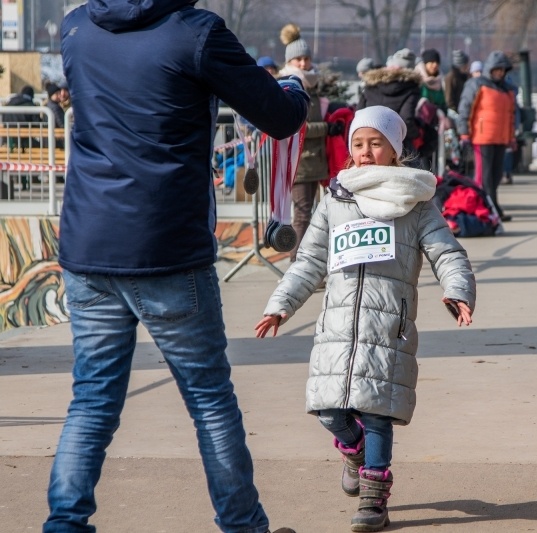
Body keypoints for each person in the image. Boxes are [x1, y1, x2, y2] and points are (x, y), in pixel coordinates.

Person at [45, 1, 308, 532]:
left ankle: (65, 525)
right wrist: (296, 85)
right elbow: (279, 119)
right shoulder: (195, 32)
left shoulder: (76, 27)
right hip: (166, 245)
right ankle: (243, 525)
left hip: (88, 242)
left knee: (92, 401)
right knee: (210, 399)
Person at [255, 105, 476, 532]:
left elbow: (447, 252)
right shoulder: (335, 198)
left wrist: (457, 291)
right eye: (358, 143)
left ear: (395, 150)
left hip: (387, 325)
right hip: (336, 329)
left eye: (376, 143)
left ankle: (375, 500)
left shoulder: (416, 201)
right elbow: (308, 262)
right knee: (328, 412)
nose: (365, 152)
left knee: (376, 413)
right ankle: (354, 453)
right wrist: (279, 304)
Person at [279, 23, 336, 261]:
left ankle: (308, 264)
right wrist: (326, 128)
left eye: (306, 58)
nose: (303, 63)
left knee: (312, 214)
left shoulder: (310, 85)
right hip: (299, 161)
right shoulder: (288, 85)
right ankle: (296, 266)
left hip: (314, 161)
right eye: (298, 59)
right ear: (289, 61)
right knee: (302, 215)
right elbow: (294, 125)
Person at [457, 51, 516, 222]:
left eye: (503, 70)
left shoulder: (507, 89)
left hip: (500, 138)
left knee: (496, 176)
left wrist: (511, 137)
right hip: (482, 138)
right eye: (497, 69)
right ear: (490, 69)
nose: (500, 73)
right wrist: (464, 133)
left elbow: (510, 115)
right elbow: (466, 108)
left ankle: (491, 206)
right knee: (484, 177)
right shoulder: (477, 84)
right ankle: (489, 208)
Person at [358, 48, 423, 166]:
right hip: (399, 145)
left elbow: (359, 114)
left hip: (368, 143)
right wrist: (417, 133)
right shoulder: (411, 87)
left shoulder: (371, 83)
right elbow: (406, 119)